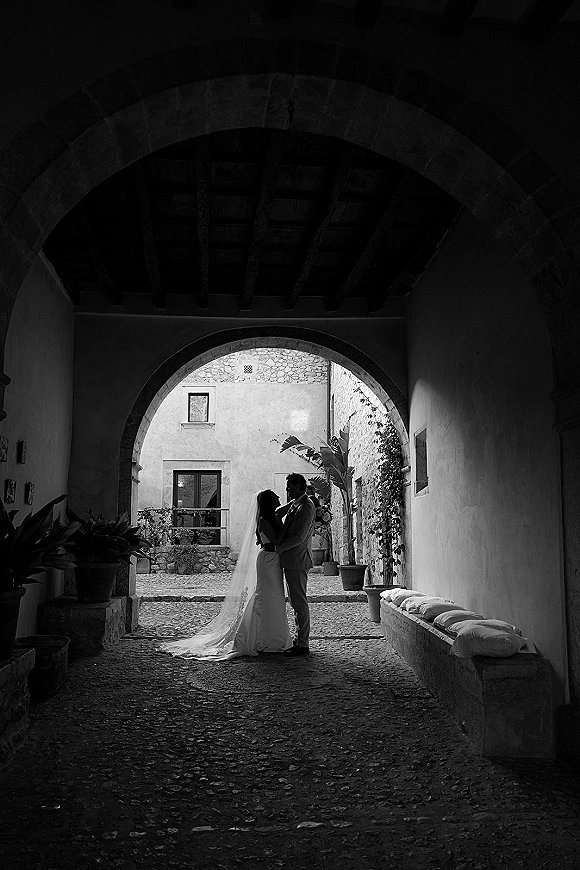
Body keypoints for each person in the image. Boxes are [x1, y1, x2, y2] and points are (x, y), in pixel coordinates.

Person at [159, 490, 292, 660]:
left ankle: (271, 637)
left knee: (275, 598)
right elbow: (278, 540)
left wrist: (295, 504)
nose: (279, 499)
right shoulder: (264, 520)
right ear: (268, 502)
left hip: (273, 560)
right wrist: (288, 523)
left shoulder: (272, 516)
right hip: (267, 560)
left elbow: (285, 511)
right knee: (266, 595)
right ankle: (259, 638)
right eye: (275, 497)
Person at [276, 473, 317, 656]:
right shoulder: (296, 503)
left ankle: (303, 644)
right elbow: (278, 512)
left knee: (299, 602)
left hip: (297, 559)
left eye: (290, 486)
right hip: (291, 560)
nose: (287, 490)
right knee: (294, 600)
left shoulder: (306, 506)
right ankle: (299, 638)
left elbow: (299, 537)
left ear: (299, 486)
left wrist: (279, 548)